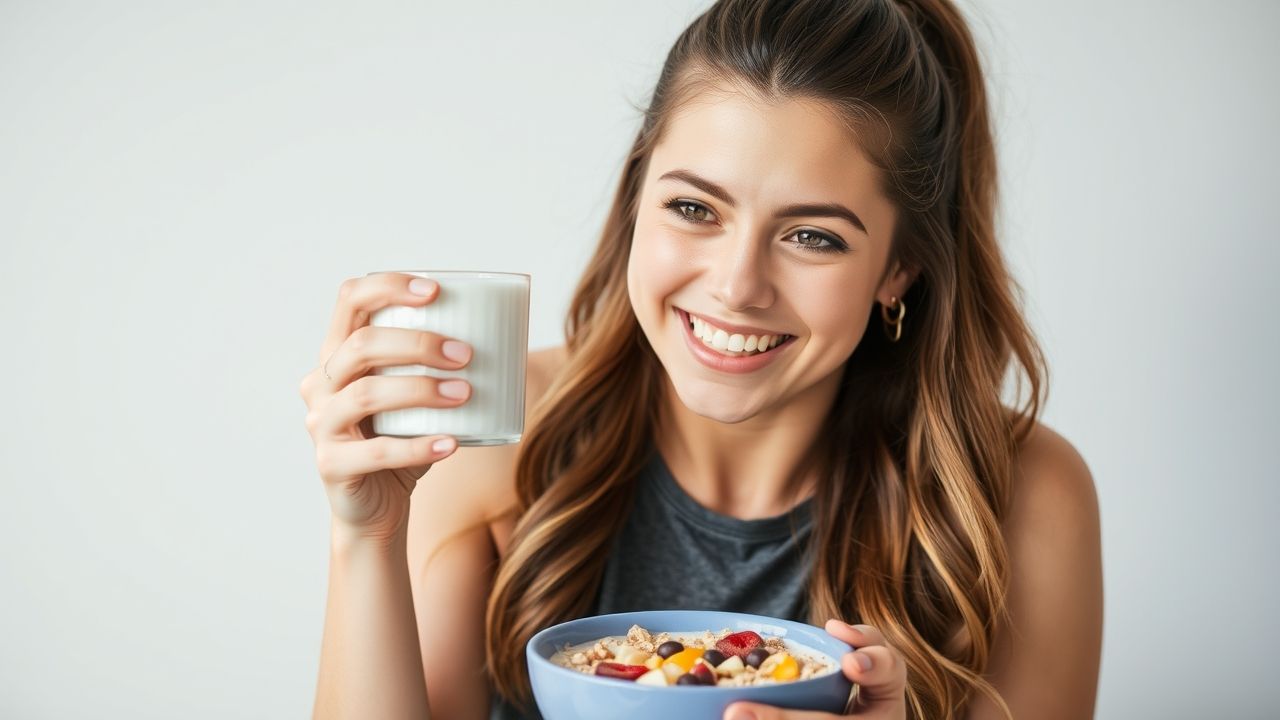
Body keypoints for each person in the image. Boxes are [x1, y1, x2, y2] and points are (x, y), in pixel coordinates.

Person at [299, 0, 1103, 717]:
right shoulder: (499, 438)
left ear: (899, 268)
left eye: (812, 236)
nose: (736, 286)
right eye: (693, 207)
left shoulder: (1022, 496)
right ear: (636, 201)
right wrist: (367, 538)